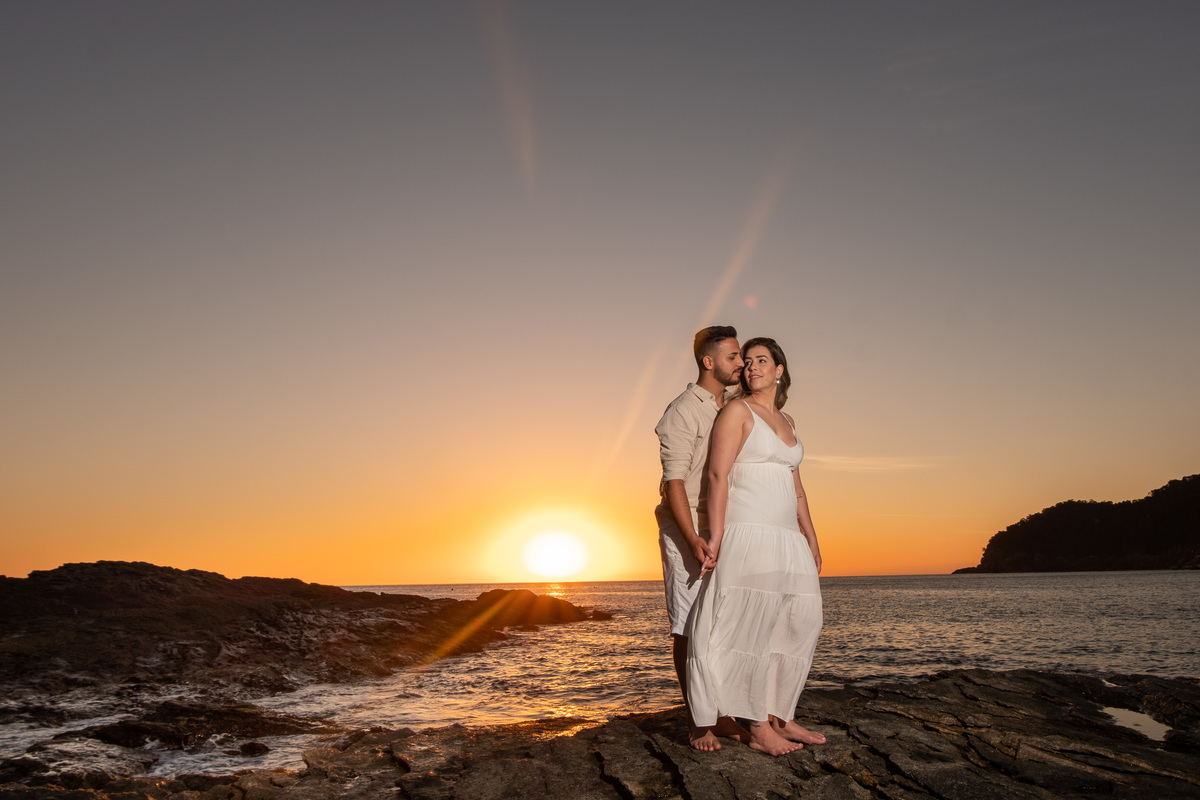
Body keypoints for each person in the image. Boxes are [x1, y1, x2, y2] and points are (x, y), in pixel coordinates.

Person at [686, 337, 826, 757]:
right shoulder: (736, 411)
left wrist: (811, 535)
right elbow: (717, 475)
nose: (752, 368)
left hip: (787, 537)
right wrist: (717, 535)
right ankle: (757, 724)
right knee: (750, 628)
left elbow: (796, 487)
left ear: (780, 369)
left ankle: (781, 714)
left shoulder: (788, 419)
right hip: (749, 533)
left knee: (801, 622)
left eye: (762, 361)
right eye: (747, 362)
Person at [654, 325, 749, 751]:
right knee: (689, 623)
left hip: (724, 524)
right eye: (732, 356)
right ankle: (697, 721)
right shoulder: (681, 411)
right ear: (708, 362)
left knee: (723, 621)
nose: (741, 363)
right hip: (686, 529)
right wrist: (692, 539)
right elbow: (673, 481)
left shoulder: (732, 406)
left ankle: (723, 713)